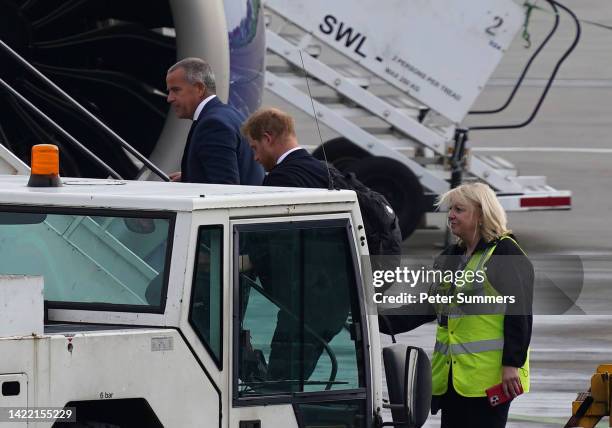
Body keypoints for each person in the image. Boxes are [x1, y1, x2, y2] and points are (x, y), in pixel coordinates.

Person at [379, 183, 533, 428]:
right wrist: (378, 320)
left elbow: (520, 314)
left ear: (481, 214)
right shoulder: (451, 257)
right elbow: (431, 306)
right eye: (451, 209)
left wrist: (511, 364)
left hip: (489, 380)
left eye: (459, 209)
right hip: (452, 379)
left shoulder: (504, 253)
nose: (451, 215)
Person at [165, 57, 263, 185]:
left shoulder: (213, 125)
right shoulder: (231, 114)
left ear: (199, 88)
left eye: (176, 90)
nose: (169, 98)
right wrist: (191, 175)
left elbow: (224, 188)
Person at [240, 107, 329, 188]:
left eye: (255, 148)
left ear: (267, 139)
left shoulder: (279, 179)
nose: (256, 158)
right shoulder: (329, 172)